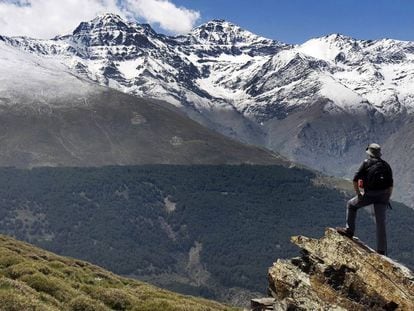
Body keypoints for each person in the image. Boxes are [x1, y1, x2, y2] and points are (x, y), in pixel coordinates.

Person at [337, 143, 393, 255]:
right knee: (380, 222)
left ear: (369, 153)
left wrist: (358, 194)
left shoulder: (366, 163)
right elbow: (391, 185)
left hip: (369, 195)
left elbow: (354, 179)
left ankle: (349, 231)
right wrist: (387, 198)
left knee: (351, 205)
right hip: (383, 196)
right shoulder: (386, 165)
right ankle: (381, 250)